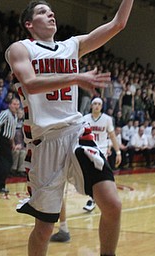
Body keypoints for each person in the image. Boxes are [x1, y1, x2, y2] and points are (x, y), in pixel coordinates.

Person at [5, 0, 134, 255]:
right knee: (44, 228)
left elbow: (118, 24)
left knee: (112, 204)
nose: (50, 13)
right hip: (44, 142)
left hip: (76, 131)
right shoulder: (20, 49)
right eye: (42, 11)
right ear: (29, 24)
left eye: (51, 10)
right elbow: (30, 83)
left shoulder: (72, 45)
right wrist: (77, 77)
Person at [50, 97, 122, 242]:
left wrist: (118, 151)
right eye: (94, 103)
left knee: (102, 189)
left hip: (99, 153)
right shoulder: (84, 118)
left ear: (102, 106)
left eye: (99, 104)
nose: (96, 106)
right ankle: (91, 201)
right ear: (91, 106)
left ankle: (92, 200)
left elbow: (112, 135)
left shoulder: (107, 119)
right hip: (84, 151)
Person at [0, 98, 20, 193]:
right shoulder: (5, 113)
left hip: (7, 141)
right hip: (1, 140)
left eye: (18, 104)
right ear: (9, 105)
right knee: (6, 164)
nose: (16, 106)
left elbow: (11, 132)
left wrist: (13, 144)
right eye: (14, 104)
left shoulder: (15, 116)